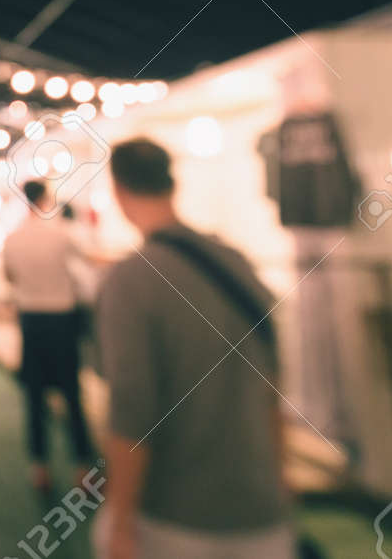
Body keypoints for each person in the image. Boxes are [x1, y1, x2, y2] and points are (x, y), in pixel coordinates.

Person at [93, 139, 292, 559]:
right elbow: (272, 381)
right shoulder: (235, 262)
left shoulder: (130, 280)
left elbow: (132, 408)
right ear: (172, 184)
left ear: (118, 192)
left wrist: (121, 519)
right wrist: (280, 478)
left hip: (176, 514)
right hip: (261, 506)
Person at [2, 181, 98, 491]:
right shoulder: (61, 234)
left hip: (31, 320)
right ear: (45, 198)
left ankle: (39, 468)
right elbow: (85, 266)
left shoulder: (13, 238)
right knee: (72, 395)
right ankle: (82, 468)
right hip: (62, 320)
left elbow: (9, 277)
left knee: (34, 396)